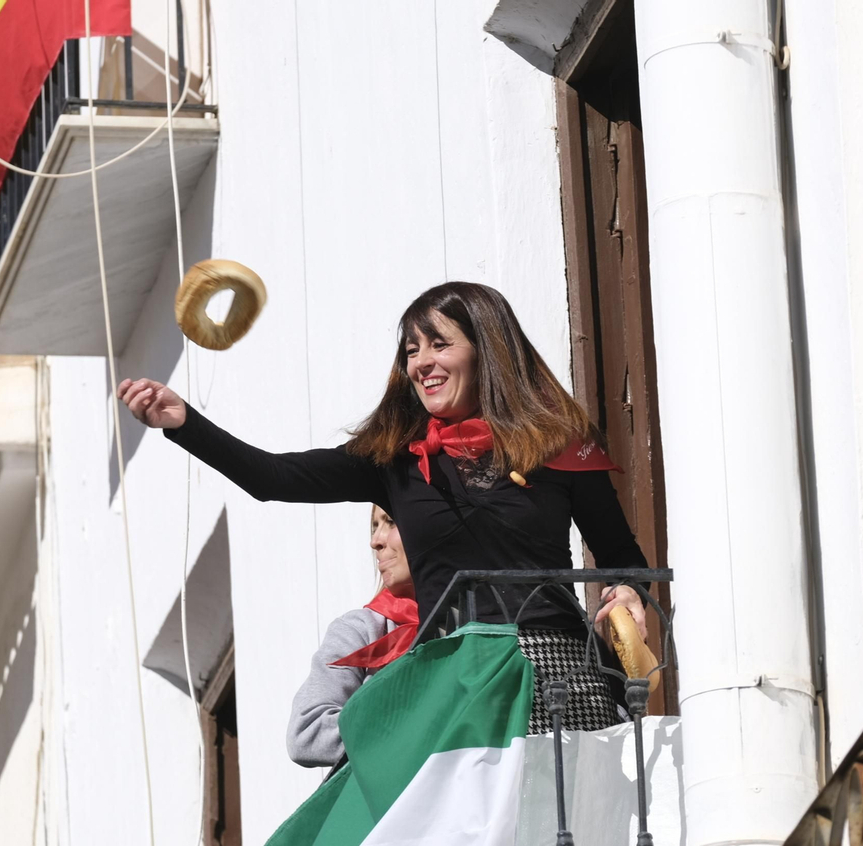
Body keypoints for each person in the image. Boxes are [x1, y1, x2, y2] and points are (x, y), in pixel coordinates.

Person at [120, 281, 649, 733]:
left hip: (555, 671)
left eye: (438, 344)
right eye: (411, 350)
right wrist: (185, 424)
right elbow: (272, 478)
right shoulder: (394, 458)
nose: (421, 363)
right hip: (453, 675)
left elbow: (623, 557)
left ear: (487, 351)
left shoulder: (561, 445)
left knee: (564, 837)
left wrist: (628, 592)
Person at [287, 506, 417, 768]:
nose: (375, 541)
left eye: (390, 522)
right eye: (374, 526)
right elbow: (306, 735)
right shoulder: (361, 630)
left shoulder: (485, 621)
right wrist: (415, 732)